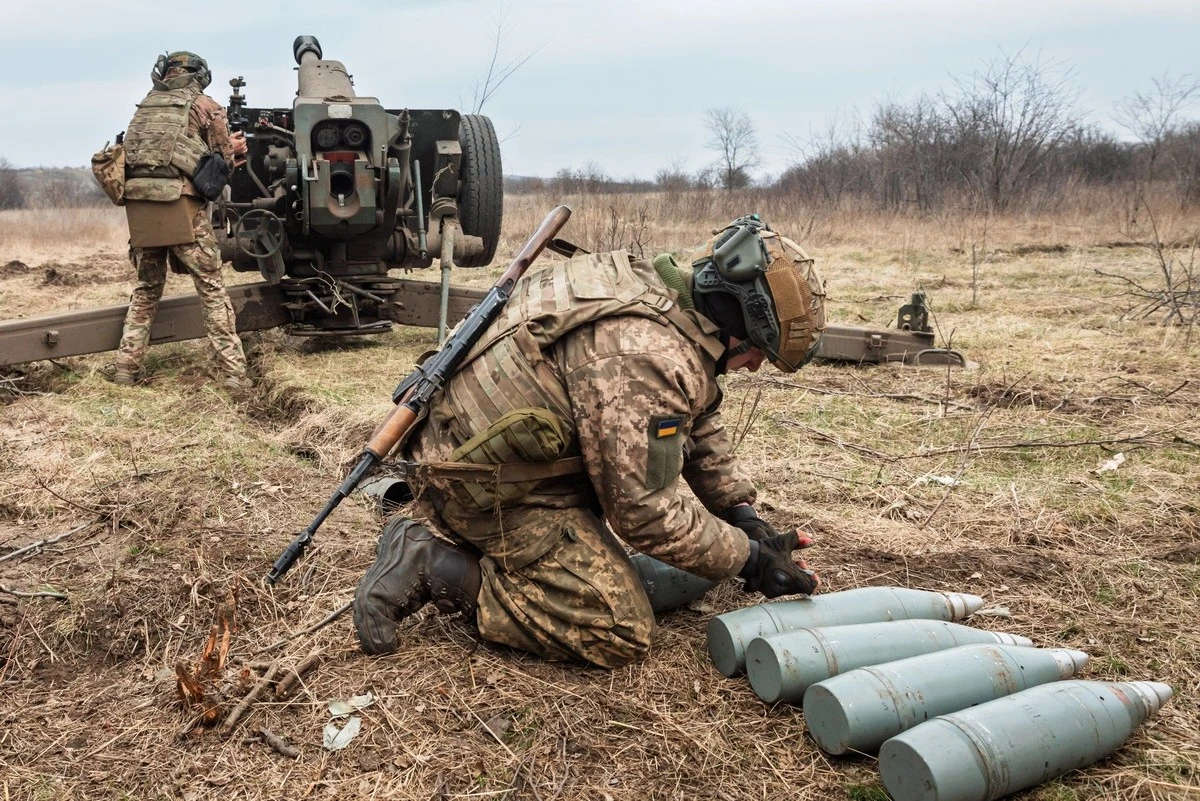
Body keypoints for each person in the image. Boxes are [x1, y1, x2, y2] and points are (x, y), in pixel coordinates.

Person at [354, 214, 827, 668]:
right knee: (619, 627)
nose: (753, 367)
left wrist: (740, 513)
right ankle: (434, 563)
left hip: (472, 449)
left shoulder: (649, 287)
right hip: (483, 489)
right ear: (738, 323)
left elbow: (695, 413)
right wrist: (749, 560)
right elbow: (643, 515)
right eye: (756, 353)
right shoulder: (645, 355)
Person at [104, 51, 250, 390]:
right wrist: (235, 148)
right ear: (199, 75)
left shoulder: (145, 106)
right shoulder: (205, 105)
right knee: (211, 290)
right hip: (181, 207)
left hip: (141, 210)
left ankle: (126, 369)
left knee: (145, 291)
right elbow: (223, 162)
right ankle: (234, 376)